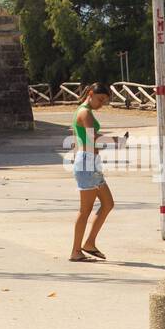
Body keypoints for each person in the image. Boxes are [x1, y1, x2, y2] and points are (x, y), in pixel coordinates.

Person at [70, 81, 115, 262]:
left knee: (108, 203)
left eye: (104, 101)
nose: (101, 103)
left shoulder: (84, 111)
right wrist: (115, 140)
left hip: (91, 163)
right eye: (100, 99)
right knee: (85, 210)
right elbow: (91, 138)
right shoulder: (84, 112)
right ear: (90, 93)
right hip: (87, 163)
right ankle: (75, 251)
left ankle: (89, 243)